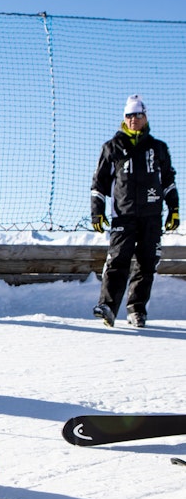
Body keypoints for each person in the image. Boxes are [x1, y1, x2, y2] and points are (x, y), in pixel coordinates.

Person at [91, 94, 178, 328]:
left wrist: (174, 208)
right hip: (123, 215)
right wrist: (96, 211)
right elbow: (99, 183)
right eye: (129, 115)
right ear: (124, 118)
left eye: (138, 115)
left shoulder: (158, 148)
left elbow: (169, 180)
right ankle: (107, 307)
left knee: (146, 263)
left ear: (145, 117)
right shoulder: (112, 147)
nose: (134, 119)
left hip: (151, 216)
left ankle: (137, 310)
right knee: (117, 260)